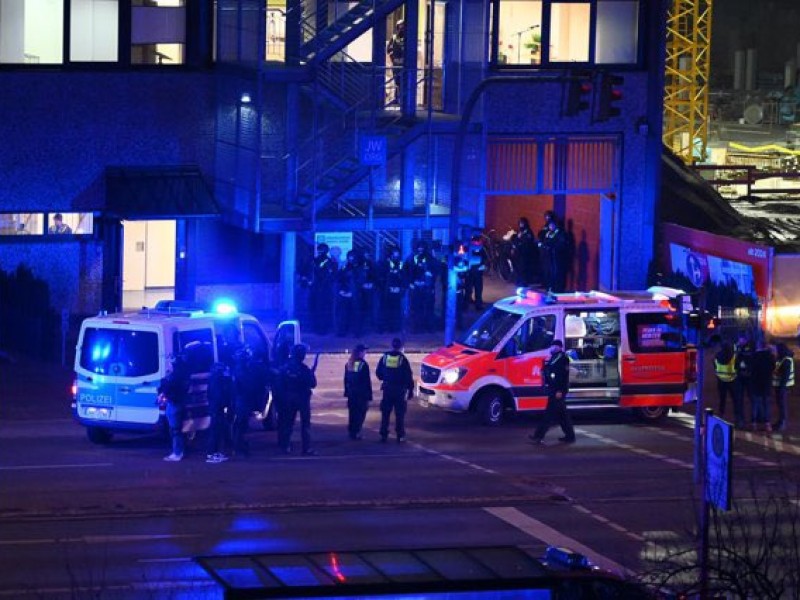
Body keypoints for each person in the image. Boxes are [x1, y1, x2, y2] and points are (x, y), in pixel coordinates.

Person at [529, 339, 575, 445]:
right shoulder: (554, 357)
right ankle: (570, 436)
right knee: (562, 415)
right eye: (552, 345)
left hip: (558, 390)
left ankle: (539, 436)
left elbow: (563, 377)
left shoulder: (563, 358)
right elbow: (549, 370)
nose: (553, 347)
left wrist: (560, 390)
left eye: (555, 346)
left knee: (548, 415)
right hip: (554, 389)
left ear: (560, 347)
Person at [276, 344, 318, 455]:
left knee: (287, 423)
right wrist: (312, 374)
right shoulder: (304, 370)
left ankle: (285, 446)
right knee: (305, 425)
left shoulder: (285, 368)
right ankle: (306, 448)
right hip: (302, 399)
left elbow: (280, 384)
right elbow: (313, 384)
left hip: (288, 398)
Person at [376, 337, 415, 443]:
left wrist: (385, 378)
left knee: (385, 413)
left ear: (392, 345)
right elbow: (408, 376)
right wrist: (410, 390)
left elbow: (378, 372)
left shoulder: (385, 357)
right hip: (399, 390)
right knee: (399, 414)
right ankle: (400, 435)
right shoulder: (402, 359)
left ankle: (383, 435)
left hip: (387, 389)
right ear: (401, 347)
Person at [159, 352, 192, 461]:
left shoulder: (175, 375)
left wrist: (164, 382)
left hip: (174, 402)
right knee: (178, 429)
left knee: (175, 429)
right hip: (180, 401)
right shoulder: (185, 372)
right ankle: (180, 450)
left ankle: (177, 452)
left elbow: (168, 387)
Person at [344, 343, 373, 440]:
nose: (365, 353)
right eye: (364, 351)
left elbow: (346, 379)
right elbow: (366, 381)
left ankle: (352, 431)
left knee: (352, 413)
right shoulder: (363, 364)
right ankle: (356, 432)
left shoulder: (349, 363)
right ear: (360, 352)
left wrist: (347, 392)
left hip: (351, 393)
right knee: (361, 413)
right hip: (361, 394)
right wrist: (369, 395)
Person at [206, 361, 233, 463]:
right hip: (217, 409)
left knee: (217, 431)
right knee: (215, 432)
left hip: (216, 409)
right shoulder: (217, 381)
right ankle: (211, 454)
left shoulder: (214, 380)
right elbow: (220, 396)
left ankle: (215, 453)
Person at [406, 241, 436, 333]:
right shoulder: (412, 258)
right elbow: (407, 271)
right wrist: (411, 283)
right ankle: (416, 328)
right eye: (419, 247)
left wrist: (430, 277)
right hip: (415, 287)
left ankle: (428, 327)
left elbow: (435, 270)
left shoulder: (430, 258)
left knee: (428, 308)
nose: (420, 249)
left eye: (422, 247)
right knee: (415, 308)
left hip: (427, 287)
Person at [308, 243, 337, 335]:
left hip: (324, 289)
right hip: (318, 289)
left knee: (322, 309)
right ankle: (319, 328)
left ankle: (322, 329)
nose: (320, 252)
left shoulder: (328, 261)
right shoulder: (315, 260)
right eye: (319, 250)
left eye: (321, 250)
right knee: (318, 309)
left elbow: (332, 275)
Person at [750, 337, 775, 433]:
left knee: (755, 404)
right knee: (766, 404)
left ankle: (754, 423)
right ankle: (767, 424)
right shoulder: (770, 356)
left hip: (755, 384)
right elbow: (773, 368)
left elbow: (750, 369)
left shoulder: (754, 356)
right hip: (766, 384)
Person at [378, 245, 406, 332]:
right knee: (385, 310)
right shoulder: (383, 263)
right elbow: (381, 278)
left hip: (397, 291)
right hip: (386, 291)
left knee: (396, 310)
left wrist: (400, 288)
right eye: (394, 255)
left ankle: (395, 328)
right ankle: (385, 327)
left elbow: (403, 277)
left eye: (397, 255)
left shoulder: (401, 264)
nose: (396, 257)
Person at [540, 219, 568, 292]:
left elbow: (561, 245)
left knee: (556, 273)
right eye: (549, 225)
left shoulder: (560, 233)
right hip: (548, 257)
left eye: (552, 225)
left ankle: (557, 289)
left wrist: (552, 247)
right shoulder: (548, 233)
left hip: (557, 258)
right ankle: (550, 287)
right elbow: (545, 241)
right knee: (548, 272)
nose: (551, 227)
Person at [772, 342, 795, 432]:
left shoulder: (786, 360)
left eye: (776, 349)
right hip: (780, 387)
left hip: (783, 387)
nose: (775, 351)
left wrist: (781, 388)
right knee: (780, 405)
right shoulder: (782, 358)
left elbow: (785, 376)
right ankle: (780, 421)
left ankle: (783, 423)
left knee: (782, 405)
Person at [733, 334, 753, 428]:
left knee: (752, 399)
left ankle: (753, 421)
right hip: (740, 376)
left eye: (742, 340)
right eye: (739, 340)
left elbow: (749, 359)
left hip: (748, 377)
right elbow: (736, 361)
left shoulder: (750, 347)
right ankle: (740, 420)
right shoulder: (737, 347)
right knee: (739, 399)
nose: (740, 341)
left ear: (746, 339)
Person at [464, 234, 489, 310]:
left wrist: (484, 265)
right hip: (473, 272)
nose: (477, 243)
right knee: (471, 289)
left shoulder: (476, 248)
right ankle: (469, 304)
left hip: (474, 272)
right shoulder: (471, 248)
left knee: (475, 289)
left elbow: (485, 259)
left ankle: (474, 305)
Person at [713, 341, 737, 420]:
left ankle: (721, 413)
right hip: (732, 380)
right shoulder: (733, 356)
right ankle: (736, 414)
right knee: (734, 398)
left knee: (722, 398)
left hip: (721, 380)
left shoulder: (717, 356)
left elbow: (715, 366)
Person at [514, 217, 538, 286]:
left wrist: (521, 240)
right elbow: (516, 240)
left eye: (522, 223)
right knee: (518, 267)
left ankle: (524, 282)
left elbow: (528, 242)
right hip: (519, 253)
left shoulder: (528, 231)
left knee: (524, 268)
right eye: (520, 223)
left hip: (525, 253)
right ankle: (519, 281)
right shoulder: (520, 231)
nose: (521, 225)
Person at [386, 20, 405, 105]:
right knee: (397, 82)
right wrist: (393, 58)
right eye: (400, 26)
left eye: (403, 26)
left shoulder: (408, 38)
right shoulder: (393, 38)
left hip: (405, 65)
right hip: (396, 64)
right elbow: (388, 50)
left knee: (404, 82)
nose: (401, 28)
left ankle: (404, 99)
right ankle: (397, 98)